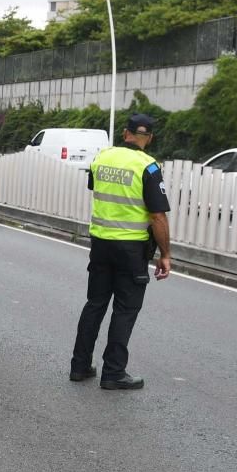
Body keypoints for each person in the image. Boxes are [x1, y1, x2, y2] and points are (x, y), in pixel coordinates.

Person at [69, 113, 172, 391]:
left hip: (100, 243)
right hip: (131, 249)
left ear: (125, 133)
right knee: (125, 310)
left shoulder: (101, 158)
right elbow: (158, 217)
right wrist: (165, 254)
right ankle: (113, 372)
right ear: (148, 138)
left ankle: (79, 366)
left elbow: (95, 188)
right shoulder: (148, 167)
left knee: (95, 304)